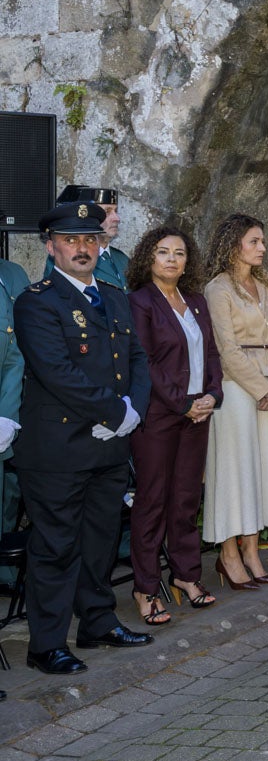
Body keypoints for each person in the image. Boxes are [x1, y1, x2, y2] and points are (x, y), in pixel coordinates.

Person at [12, 202, 153, 675]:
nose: (82, 248)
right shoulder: (37, 300)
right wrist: (115, 412)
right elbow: (58, 372)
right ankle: (46, 644)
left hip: (109, 443)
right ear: (50, 247)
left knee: (99, 541)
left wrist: (132, 411)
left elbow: (137, 358)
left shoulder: (114, 296)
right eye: (71, 240)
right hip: (58, 448)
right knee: (55, 546)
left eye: (90, 239)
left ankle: (97, 622)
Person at [127, 226, 224, 622]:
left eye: (179, 253)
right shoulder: (139, 302)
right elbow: (145, 362)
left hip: (197, 414)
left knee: (186, 498)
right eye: (163, 252)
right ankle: (145, 588)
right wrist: (183, 403)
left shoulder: (197, 302)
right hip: (159, 417)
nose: (171, 259)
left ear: (188, 261)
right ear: (149, 257)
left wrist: (212, 396)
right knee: (152, 502)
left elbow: (213, 355)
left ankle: (186, 575)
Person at [201, 214, 268, 590]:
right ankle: (229, 555)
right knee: (235, 473)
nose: (262, 247)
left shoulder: (266, 288)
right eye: (254, 241)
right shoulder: (217, 289)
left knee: (263, 470)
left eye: (262, 241)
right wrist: (260, 388)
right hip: (236, 389)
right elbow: (226, 349)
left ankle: (253, 551)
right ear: (233, 243)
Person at [0, 255, 28, 592]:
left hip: (13, 404)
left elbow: (15, 352)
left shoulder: (13, 272)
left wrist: (7, 413)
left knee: (8, 492)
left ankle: (4, 574)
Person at [44, 185, 129, 290]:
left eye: (116, 211)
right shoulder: (64, 257)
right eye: (107, 212)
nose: (117, 218)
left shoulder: (122, 259)